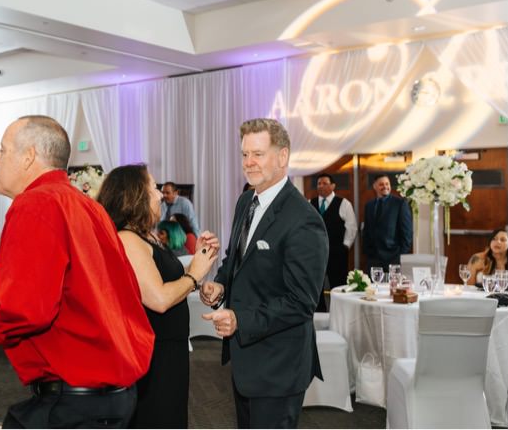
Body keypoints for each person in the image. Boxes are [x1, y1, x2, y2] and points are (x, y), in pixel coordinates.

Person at [0, 115, 154, 428]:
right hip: (111, 393)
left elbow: (28, 309)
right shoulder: (89, 206)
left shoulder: (35, 204)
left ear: (29, 156)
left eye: (3, 149)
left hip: (73, 402)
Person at [199, 118, 328, 428]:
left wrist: (240, 319)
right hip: (246, 359)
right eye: (244, 155)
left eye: (258, 154)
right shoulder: (246, 201)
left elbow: (301, 301)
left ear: (282, 157)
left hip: (278, 366)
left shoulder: (303, 220)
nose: (249, 163)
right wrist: (218, 286)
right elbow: (236, 260)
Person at [98, 164, 219, 429]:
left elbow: (163, 279)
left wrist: (195, 264)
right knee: (157, 418)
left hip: (169, 347)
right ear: (135, 195)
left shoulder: (146, 236)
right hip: (153, 353)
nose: (159, 193)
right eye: (152, 187)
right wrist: (194, 276)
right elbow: (159, 299)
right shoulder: (128, 239)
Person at [309, 174, 357, 298]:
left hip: (337, 252)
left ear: (333, 186)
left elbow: (351, 227)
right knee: (316, 286)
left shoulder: (344, 203)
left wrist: (345, 246)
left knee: (338, 285)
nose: (320, 186)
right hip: (316, 253)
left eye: (324, 183)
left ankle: (339, 314)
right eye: (319, 183)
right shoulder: (310, 203)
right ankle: (319, 315)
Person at [361, 174, 412, 269]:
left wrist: (400, 255)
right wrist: (367, 251)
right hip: (373, 259)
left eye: (387, 184)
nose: (385, 187)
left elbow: (407, 234)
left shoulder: (400, 204)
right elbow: (367, 230)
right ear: (374, 187)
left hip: (394, 258)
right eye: (381, 184)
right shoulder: (369, 205)